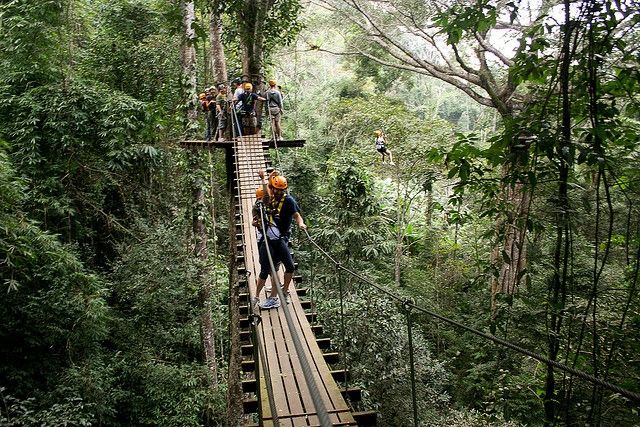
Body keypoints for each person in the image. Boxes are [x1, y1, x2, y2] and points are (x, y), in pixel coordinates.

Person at [255, 170, 306, 309]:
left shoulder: (288, 200)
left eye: (281, 190)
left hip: (281, 237)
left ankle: (283, 292)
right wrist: (266, 178)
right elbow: (265, 193)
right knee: (273, 267)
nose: (278, 192)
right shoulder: (269, 197)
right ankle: (273, 297)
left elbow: (296, 215)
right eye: (276, 189)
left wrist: (300, 223)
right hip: (270, 238)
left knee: (289, 266)